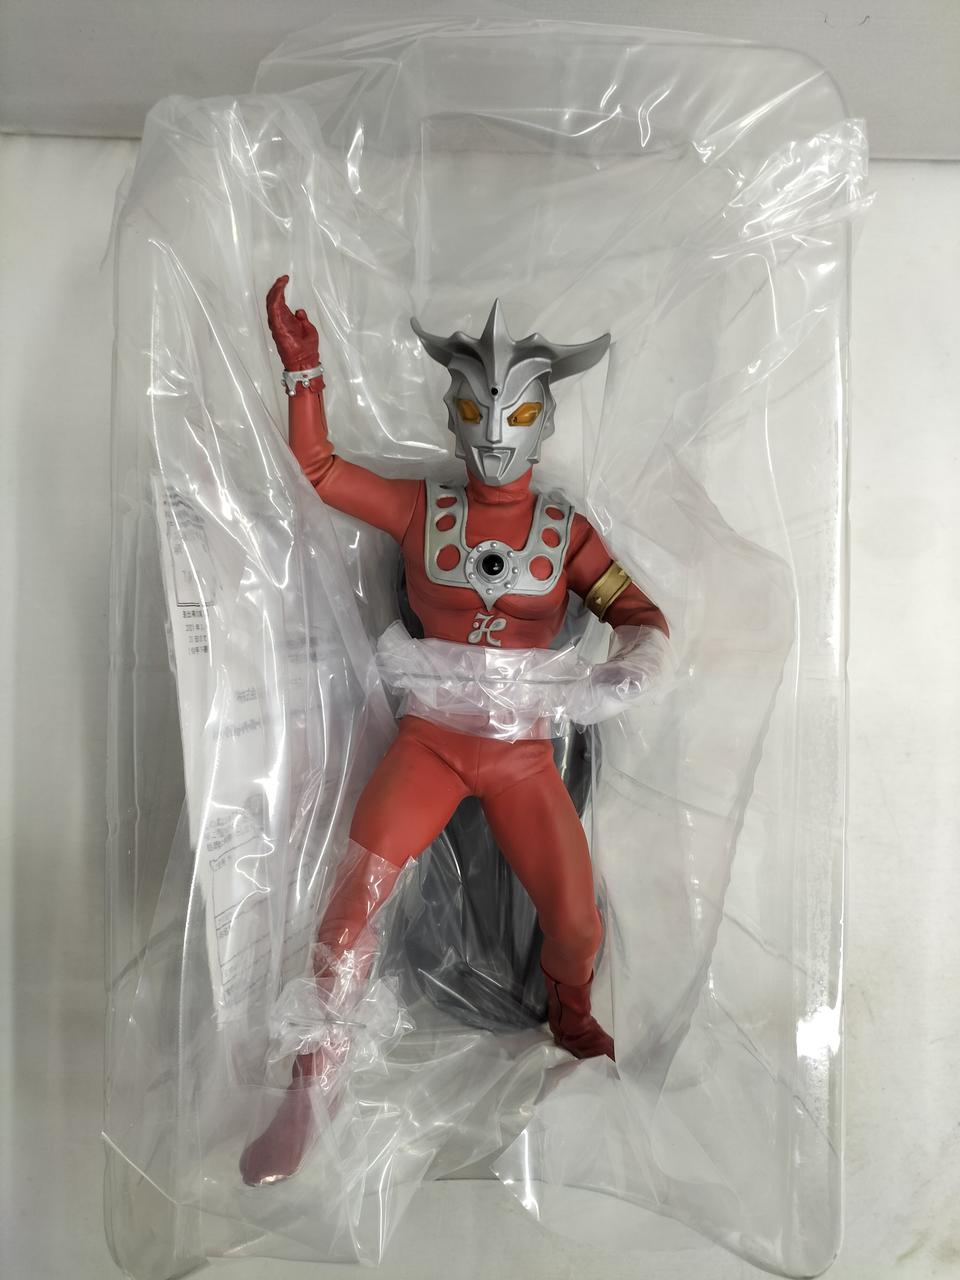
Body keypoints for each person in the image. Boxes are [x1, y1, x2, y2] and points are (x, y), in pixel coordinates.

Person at [240, 277, 668, 1185]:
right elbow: (319, 470)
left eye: (516, 413)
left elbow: (640, 613)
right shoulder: (422, 510)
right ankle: (312, 1081)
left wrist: (629, 666)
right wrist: (304, 369)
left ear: (544, 420)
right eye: (475, 408)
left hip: (520, 754)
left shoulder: (563, 530)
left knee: (576, 923)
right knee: (349, 908)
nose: (495, 433)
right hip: (430, 742)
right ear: (453, 413)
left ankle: (573, 1021)